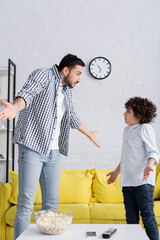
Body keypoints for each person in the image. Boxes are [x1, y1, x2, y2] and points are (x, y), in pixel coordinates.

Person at [0, 54, 100, 239]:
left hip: (53, 154)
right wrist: (14, 107)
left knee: (52, 203)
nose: (79, 79)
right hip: (32, 148)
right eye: (78, 74)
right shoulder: (43, 75)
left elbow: (72, 116)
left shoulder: (67, 90)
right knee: (25, 204)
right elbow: (27, 94)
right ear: (65, 70)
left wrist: (89, 134)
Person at [107, 97, 159, 240]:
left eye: (128, 111)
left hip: (142, 183)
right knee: (131, 222)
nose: (124, 113)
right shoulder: (127, 130)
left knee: (148, 218)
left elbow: (153, 152)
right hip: (128, 183)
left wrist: (149, 165)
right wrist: (117, 172)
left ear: (139, 115)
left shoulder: (145, 128)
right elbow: (125, 157)